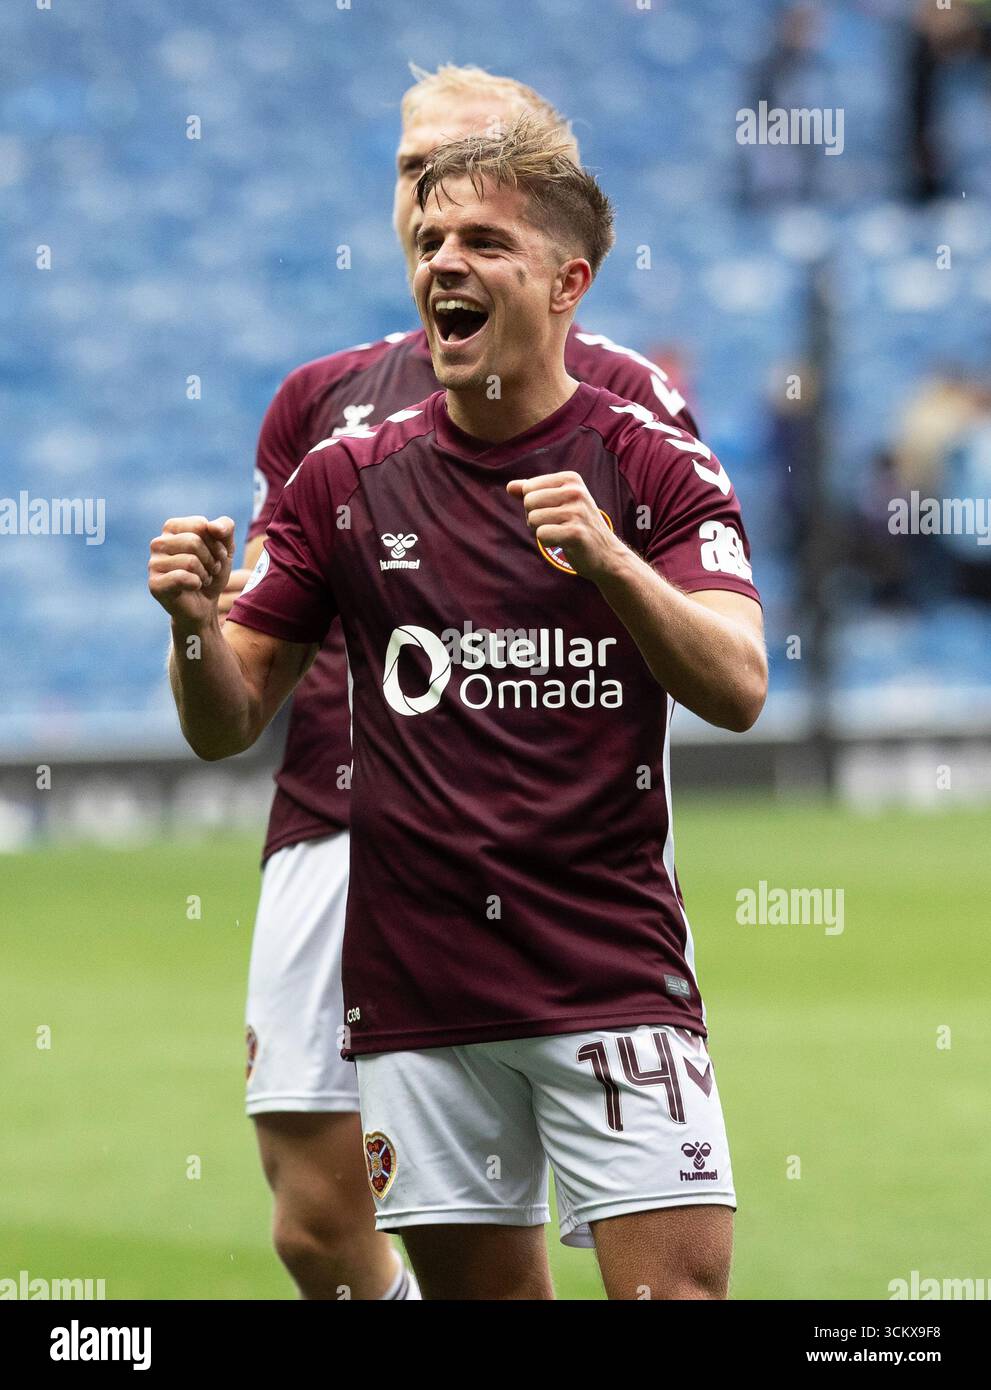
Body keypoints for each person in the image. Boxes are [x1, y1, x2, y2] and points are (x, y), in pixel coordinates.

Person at [149, 119, 767, 1299]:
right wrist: (188, 625)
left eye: (484, 240)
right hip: (420, 991)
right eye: (430, 238)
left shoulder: (651, 460)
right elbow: (227, 719)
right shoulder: (344, 476)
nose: (441, 260)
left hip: (609, 970)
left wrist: (613, 564)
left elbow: (738, 684)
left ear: (566, 281)